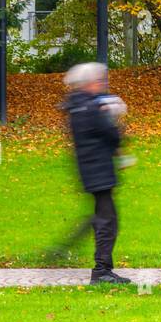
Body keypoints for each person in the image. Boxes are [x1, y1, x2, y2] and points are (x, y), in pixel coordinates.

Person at [55, 62, 130, 284]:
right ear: (89, 83)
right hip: (98, 168)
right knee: (107, 220)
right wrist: (114, 117)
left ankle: (71, 251)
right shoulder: (89, 107)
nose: (102, 85)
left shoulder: (77, 105)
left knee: (102, 217)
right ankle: (101, 270)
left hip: (90, 167)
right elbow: (111, 133)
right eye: (99, 81)